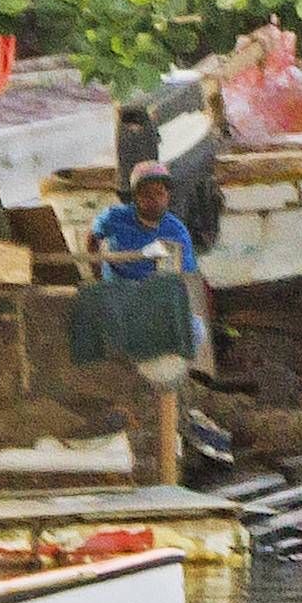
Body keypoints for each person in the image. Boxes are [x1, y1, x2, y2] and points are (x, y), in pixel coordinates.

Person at [84, 162, 208, 487]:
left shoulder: (176, 231)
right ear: (136, 197)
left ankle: (166, 389)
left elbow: (183, 277)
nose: (154, 200)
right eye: (147, 194)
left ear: (168, 196)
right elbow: (93, 238)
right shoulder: (115, 218)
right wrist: (98, 271)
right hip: (119, 295)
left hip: (154, 299)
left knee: (195, 329)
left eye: (160, 193)